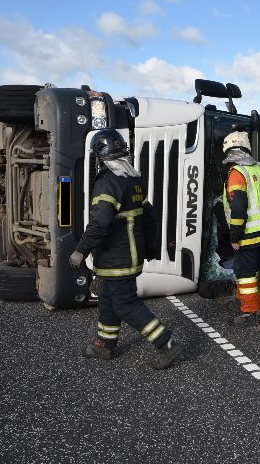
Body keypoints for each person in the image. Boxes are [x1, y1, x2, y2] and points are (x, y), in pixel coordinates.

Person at [69, 128, 182, 369]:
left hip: (117, 258)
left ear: (100, 157)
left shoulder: (108, 182)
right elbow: (149, 215)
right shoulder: (132, 179)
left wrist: (81, 250)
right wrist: (150, 246)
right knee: (108, 300)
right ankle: (105, 345)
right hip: (127, 255)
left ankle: (166, 344)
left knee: (126, 304)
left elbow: (100, 222)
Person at [222, 131, 260, 326]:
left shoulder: (237, 173)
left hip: (246, 234)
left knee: (244, 273)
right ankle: (244, 301)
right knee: (251, 269)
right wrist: (259, 201)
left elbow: (238, 208)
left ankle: (250, 312)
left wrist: (234, 236)